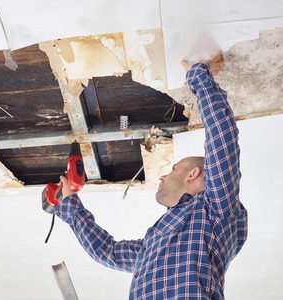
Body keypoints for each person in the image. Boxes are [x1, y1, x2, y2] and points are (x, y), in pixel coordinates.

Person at [54, 52, 248, 299]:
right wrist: (70, 204)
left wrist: (200, 78)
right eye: (172, 169)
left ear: (195, 174)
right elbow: (108, 252)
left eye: (172, 169)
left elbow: (223, 141)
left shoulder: (216, 211)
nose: (163, 177)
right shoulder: (155, 245)